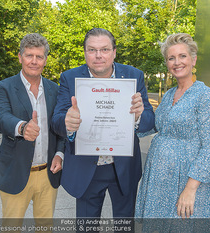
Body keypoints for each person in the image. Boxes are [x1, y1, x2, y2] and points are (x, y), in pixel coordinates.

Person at [52, 28, 155, 221]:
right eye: (92, 50)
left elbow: (150, 120)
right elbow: (57, 120)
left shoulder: (134, 75)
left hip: (123, 167)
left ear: (114, 52)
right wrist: (67, 122)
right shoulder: (70, 77)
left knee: (124, 225)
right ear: (85, 53)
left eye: (105, 49)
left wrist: (139, 116)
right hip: (86, 168)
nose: (98, 55)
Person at [135, 33, 210, 231]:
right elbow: (157, 126)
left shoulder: (205, 96)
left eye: (182, 56)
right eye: (171, 58)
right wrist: (137, 116)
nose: (177, 62)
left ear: (193, 60)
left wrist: (190, 189)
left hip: (186, 180)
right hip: (159, 180)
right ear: (167, 64)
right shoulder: (168, 95)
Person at [0, 33, 65, 230]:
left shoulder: (55, 90)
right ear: (20, 57)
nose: (34, 61)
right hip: (15, 172)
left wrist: (59, 154)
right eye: (29, 55)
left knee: (45, 227)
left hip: (48, 173)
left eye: (39, 57)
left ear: (45, 60)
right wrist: (22, 127)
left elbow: (59, 129)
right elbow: (0, 118)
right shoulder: (2, 87)